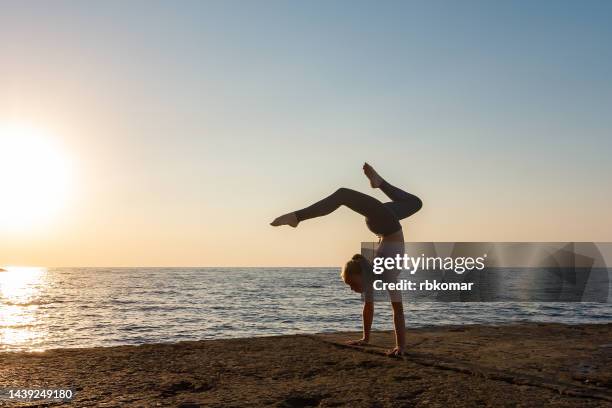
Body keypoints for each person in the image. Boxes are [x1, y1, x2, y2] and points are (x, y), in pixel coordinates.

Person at [271, 163, 422, 356]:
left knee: (344, 194)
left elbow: (395, 311)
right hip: (385, 223)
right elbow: (388, 310)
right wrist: (367, 340)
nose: (351, 288)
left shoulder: (381, 273)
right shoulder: (380, 274)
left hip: (385, 223)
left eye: (351, 283)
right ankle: (379, 183)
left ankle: (297, 217)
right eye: (350, 285)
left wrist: (400, 346)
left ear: (362, 274)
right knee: (414, 203)